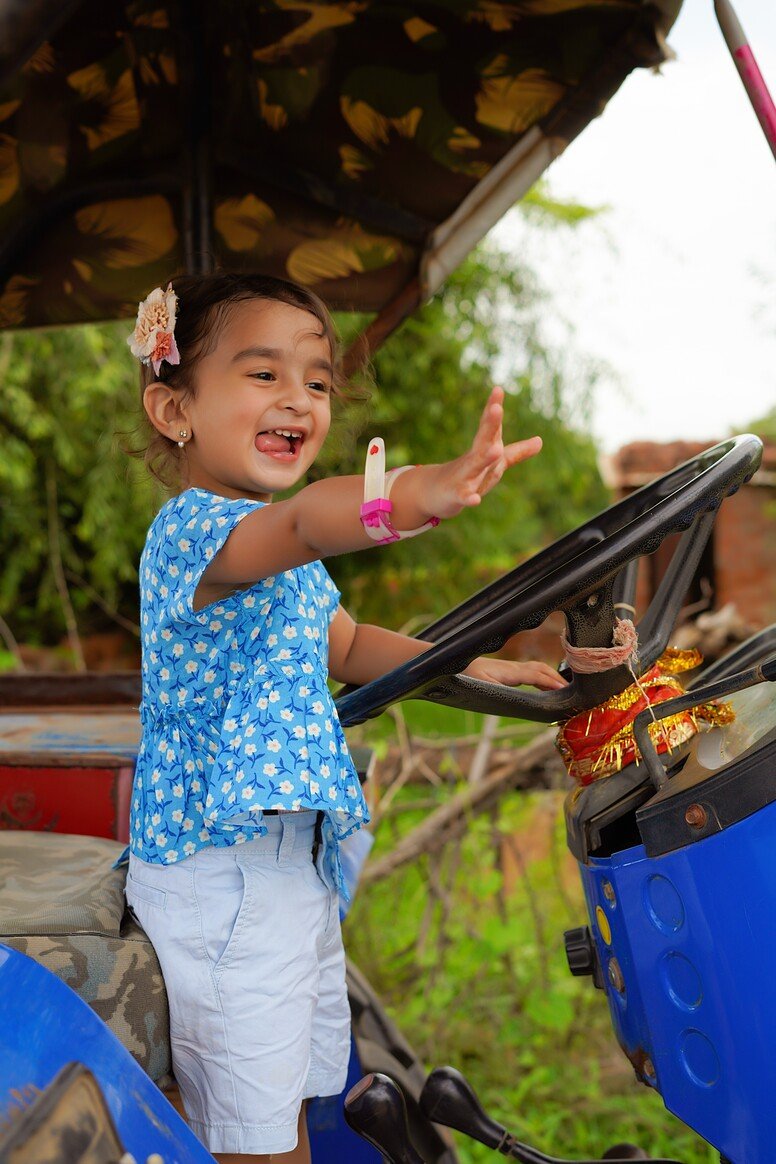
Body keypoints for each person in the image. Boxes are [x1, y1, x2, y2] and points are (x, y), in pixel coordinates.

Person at [123, 272, 566, 1164]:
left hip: (290, 874)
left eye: (318, 381)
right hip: (224, 878)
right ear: (175, 411)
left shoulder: (279, 558)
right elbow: (304, 526)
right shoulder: (197, 532)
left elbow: (353, 643)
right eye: (263, 374)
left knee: (285, 1111)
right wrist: (415, 495)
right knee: (256, 1141)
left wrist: (478, 667)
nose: (299, 399)